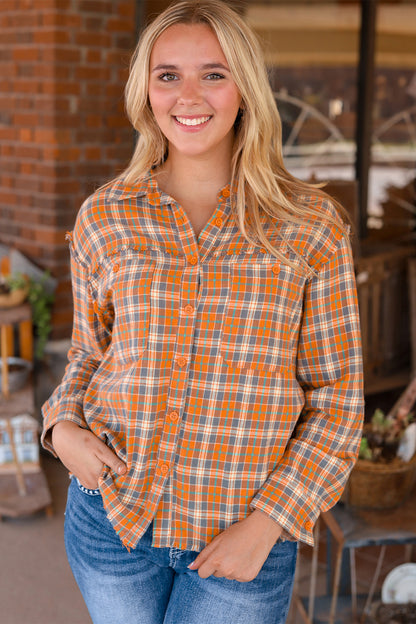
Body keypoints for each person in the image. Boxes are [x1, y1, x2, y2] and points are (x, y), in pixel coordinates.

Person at [42, 1, 364, 623]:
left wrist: (270, 524)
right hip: (111, 521)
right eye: (169, 75)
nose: (188, 96)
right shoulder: (104, 215)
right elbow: (90, 351)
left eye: (213, 74)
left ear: (244, 88)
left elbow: (338, 396)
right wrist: (61, 430)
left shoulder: (309, 226)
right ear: (146, 91)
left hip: (239, 537)